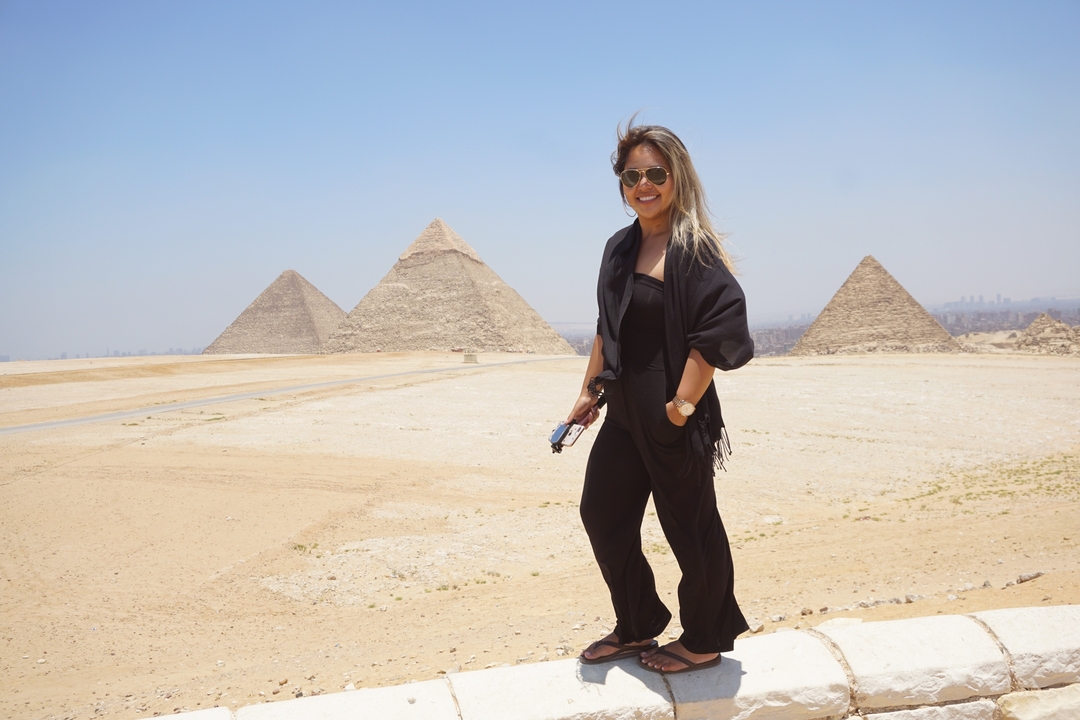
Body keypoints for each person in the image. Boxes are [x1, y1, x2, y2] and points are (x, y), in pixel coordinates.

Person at [568, 122, 754, 673]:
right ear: (621, 183)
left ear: (676, 177)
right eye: (632, 175)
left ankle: (704, 638)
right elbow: (609, 325)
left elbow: (719, 333)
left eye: (655, 174)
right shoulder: (620, 247)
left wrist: (680, 409)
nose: (643, 184)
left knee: (691, 528)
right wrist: (587, 391)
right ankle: (638, 623)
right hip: (624, 413)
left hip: (674, 417)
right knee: (601, 512)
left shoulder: (692, 249)